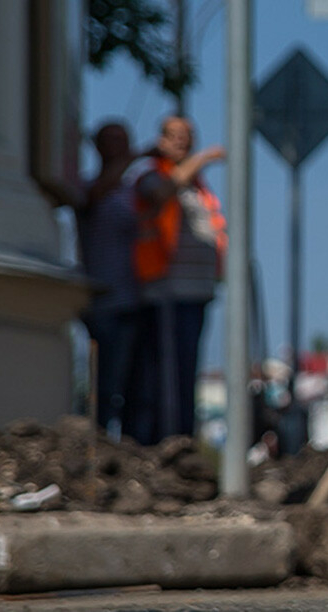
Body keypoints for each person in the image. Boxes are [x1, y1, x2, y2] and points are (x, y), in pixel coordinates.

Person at [132, 116, 227, 445]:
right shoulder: (151, 177)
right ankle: (162, 443)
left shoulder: (199, 187)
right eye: (174, 137)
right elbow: (161, 193)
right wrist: (204, 158)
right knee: (164, 377)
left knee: (187, 373)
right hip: (166, 293)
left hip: (197, 292)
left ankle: (182, 441)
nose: (181, 143)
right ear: (160, 140)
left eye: (187, 137)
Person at [75, 121, 144, 438]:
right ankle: (99, 442)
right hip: (103, 300)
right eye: (112, 140)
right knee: (104, 385)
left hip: (134, 299)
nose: (120, 146)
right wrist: (137, 156)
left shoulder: (132, 192)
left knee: (134, 388)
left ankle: (126, 451)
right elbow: (95, 195)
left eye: (124, 140)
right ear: (98, 146)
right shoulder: (88, 187)